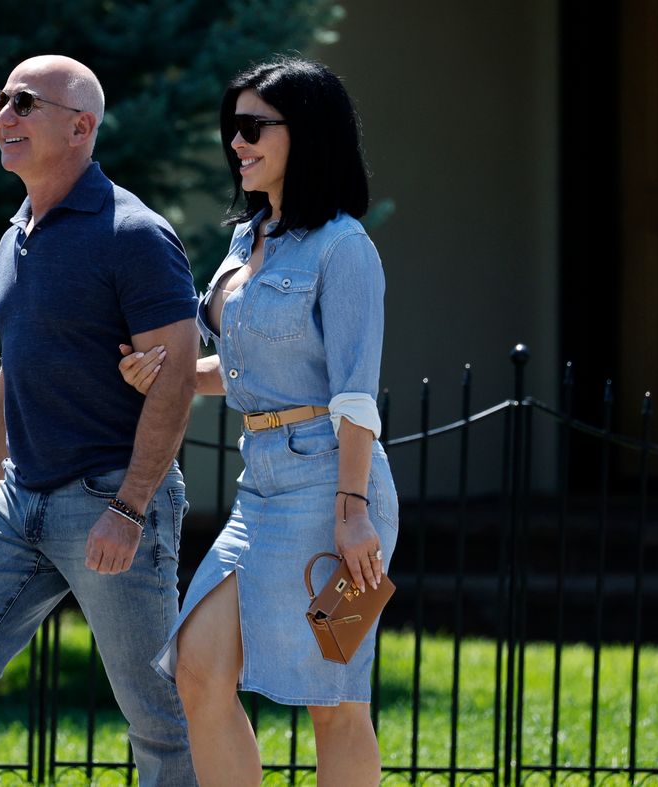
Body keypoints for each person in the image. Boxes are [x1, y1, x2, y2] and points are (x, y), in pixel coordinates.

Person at [0, 55, 199, 786]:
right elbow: (12, 377)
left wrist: (129, 508)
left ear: (80, 127)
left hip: (108, 499)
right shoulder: (17, 235)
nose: (4, 114)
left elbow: (175, 381)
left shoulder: (134, 234)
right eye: (1, 98)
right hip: (16, 500)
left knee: (157, 708)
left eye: (24, 102)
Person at [119, 56, 398, 786]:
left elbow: (355, 395)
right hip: (261, 488)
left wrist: (353, 510)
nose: (235, 143)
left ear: (305, 133)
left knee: (332, 699)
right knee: (199, 671)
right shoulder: (247, 241)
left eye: (252, 127)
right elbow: (244, 372)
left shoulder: (346, 248)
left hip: (332, 487)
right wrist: (168, 375)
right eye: (230, 129)